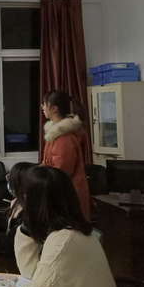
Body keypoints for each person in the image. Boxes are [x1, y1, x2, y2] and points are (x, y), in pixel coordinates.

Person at [14, 165, 130, 287]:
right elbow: (32, 273)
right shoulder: (73, 232)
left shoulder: (64, 244)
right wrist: (26, 229)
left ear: (36, 203)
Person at [40, 89, 91, 220]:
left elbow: (60, 173)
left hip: (68, 197)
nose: (42, 107)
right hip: (61, 194)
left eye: (45, 104)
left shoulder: (64, 138)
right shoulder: (54, 134)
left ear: (54, 108)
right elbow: (46, 164)